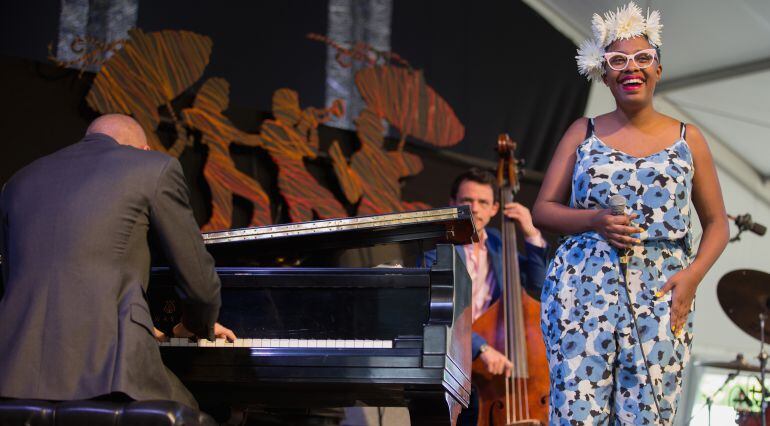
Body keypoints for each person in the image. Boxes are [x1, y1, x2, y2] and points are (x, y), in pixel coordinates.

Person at [533, 3, 729, 424]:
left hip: (662, 292)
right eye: (617, 61)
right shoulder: (581, 131)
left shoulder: (687, 138)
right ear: (603, 73)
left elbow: (718, 224)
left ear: (659, 69)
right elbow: (543, 211)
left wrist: (691, 278)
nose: (631, 68)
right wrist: (594, 220)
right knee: (576, 412)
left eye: (643, 58)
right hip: (582, 289)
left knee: (647, 413)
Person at [0, 114, 236, 409]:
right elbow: (198, 282)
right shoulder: (152, 167)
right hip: (108, 371)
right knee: (205, 411)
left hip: (13, 372)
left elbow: (12, 280)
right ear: (143, 150)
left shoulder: (18, 182)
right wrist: (196, 324)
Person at [421, 167, 547, 425]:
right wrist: (481, 348)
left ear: (494, 208)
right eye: (468, 200)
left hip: (496, 368)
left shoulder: (499, 245)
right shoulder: (436, 252)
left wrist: (531, 233)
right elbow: (443, 311)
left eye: (483, 202)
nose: (475, 209)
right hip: (455, 361)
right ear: (453, 203)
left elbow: (538, 284)